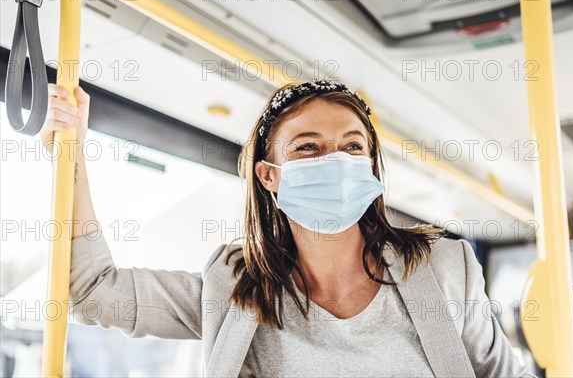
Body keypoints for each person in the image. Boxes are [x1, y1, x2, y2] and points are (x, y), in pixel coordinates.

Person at [40, 79, 537, 377]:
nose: (336, 160)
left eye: (352, 146)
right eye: (308, 147)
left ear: (370, 166)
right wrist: (73, 156)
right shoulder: (232, 289)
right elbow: (92, 292)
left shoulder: (445, 267)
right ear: (269, 176)